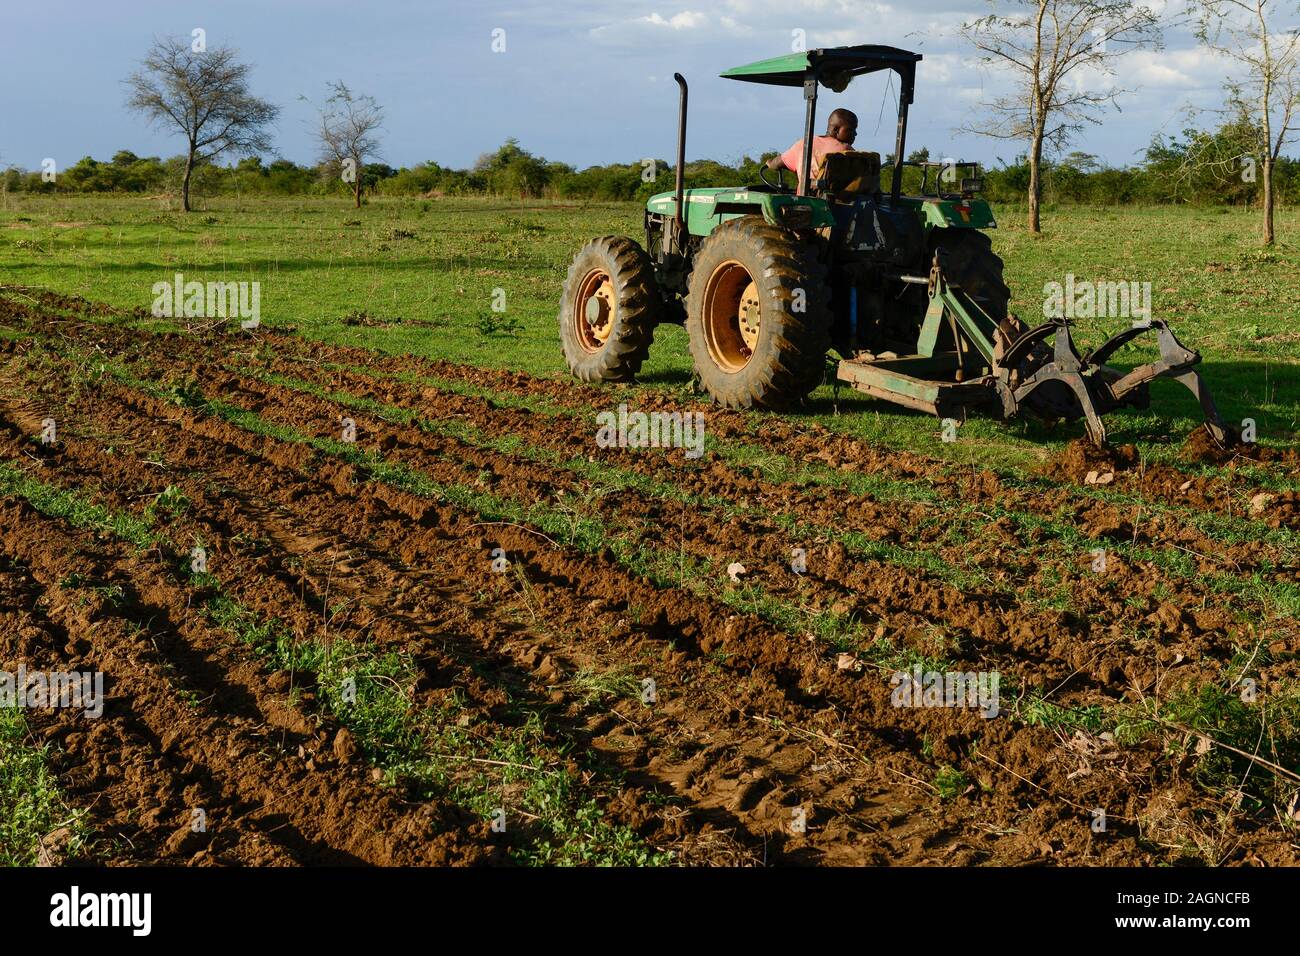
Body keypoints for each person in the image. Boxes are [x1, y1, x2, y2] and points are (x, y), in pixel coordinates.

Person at [766, 108, 858, 191]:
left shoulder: (803, 144)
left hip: (806, 201)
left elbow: (776, 163)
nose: (855, 134)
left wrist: (770, 163)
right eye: (851, 130)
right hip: (838, 203)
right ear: (836, 129)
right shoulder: (847, 151)